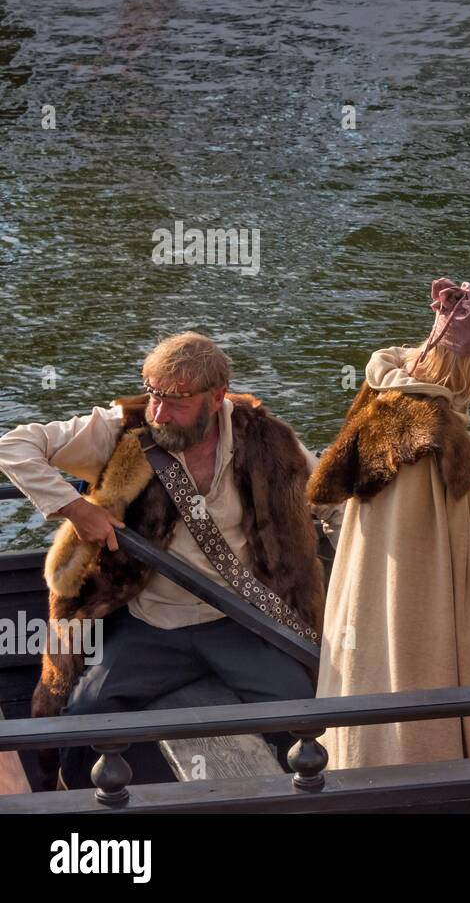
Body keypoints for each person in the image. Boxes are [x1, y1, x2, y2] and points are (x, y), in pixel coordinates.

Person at [0, 332, 328, 788]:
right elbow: (13, 445)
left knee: (302, 706)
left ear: (217, 398)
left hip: (234, 621)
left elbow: (328, 499)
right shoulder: (121, 430)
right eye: (153, 394)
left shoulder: (267, 440)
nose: (157, 412)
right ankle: (79, 807)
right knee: (86, 715)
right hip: (150, 624)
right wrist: (76, 509)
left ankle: (294, 797)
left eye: (175, 401)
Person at [308, 278, 470, 767]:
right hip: (413, 619)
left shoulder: (391, 398)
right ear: (469, 358)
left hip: (369, 605)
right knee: (413, 713)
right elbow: (424, 566)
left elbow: (427, 529)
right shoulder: (426, 430)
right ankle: (425, 776)